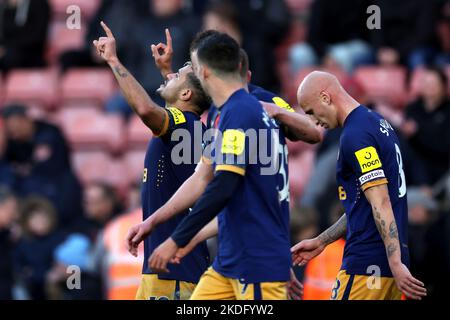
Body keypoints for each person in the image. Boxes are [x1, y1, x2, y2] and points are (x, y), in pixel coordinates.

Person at [126, 29, 321, 300]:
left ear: (204, 72)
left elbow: (223, 185)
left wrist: (178, 239)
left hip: (254, 259)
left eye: (191, 68)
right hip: (228, 260)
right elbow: (202, 177)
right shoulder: (224, 113)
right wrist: (153, 222)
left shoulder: (242, 112)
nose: (184, 75)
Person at [93, 22, 212, 300]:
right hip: (177, 269)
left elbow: (146, 109)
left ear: (186, 95)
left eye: (178, 76)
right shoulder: (192, 127)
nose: (170, 76)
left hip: (172, 275)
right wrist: (168, 72)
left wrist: (113, 60)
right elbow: (181, 109)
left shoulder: (181, 125)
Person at [291, 71, 427, 300]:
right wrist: (322, 240)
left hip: (367, 264)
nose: (315, 122)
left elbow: (380, 200)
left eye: (312, 112)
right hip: (388, 263)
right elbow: (365, 203)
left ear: (325, 97)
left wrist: (394, 262)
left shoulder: (356, 135)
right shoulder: (377, 123)